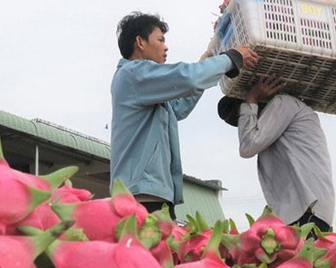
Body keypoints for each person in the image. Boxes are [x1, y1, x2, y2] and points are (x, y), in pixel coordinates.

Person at [111, 11, 258, 219]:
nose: (166, 46)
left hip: (153, 194)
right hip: (141, 196)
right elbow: (187, 78)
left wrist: (211, 64)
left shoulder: (145, 84)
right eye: (160, 40)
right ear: (140, 42)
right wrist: (229, 59)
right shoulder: (133, 73)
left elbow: (178, 107)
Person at [217, 76, 335, 234]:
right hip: (303, 213)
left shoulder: (284, 103)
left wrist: (251, 99)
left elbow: (247, 147)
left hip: (308, 212)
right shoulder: (279, 120)